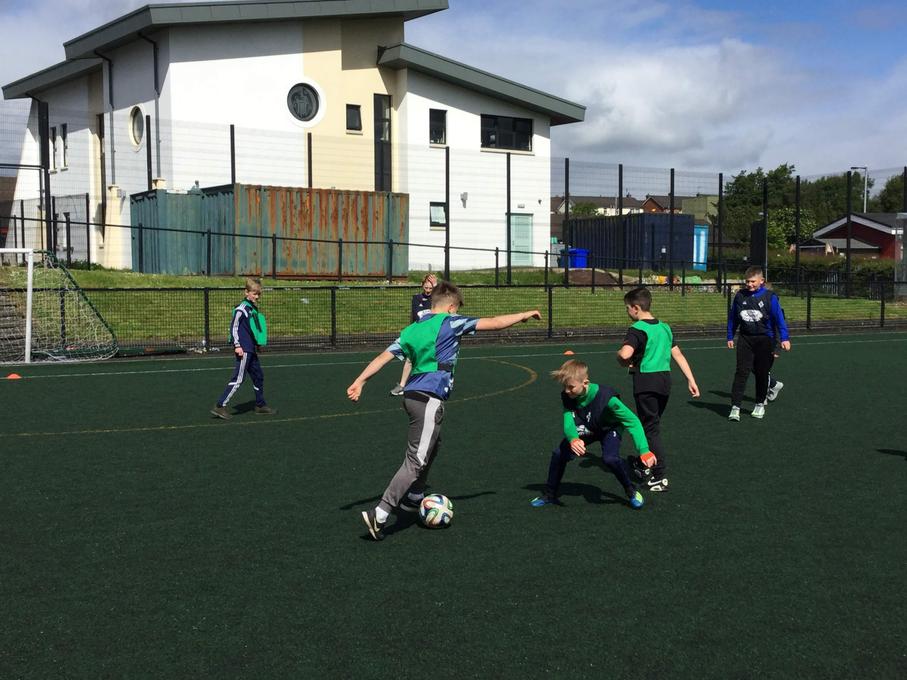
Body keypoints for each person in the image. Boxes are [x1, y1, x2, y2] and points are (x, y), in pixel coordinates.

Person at [348, 280, 541, 541]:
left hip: (412, 396)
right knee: (416, 459)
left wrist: (360, 381)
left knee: (434, 444)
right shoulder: (451, 322)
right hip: (428, 398)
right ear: (451, 307)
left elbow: (383, 357)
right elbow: (494, 322)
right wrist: (523, 315)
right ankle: (380, 513)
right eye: (457, 308)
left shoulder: (412, 329)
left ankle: (415, 495)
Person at [529, 359, 654, 510]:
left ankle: (631, 491)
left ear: (585, 383)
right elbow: (568, 420)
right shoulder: (568, 396)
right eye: (564, 386)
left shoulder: (607, 397)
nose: (567, 391)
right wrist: (574, 439)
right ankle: (550, 495)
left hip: (609, 428)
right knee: (558, 454)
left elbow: (632, 421)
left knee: (610, 458)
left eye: (571, 387)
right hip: (589, 427)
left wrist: (644, 450)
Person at [617, 287, 699, 492]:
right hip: (664, 381)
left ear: (636, 308)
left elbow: (626, 354)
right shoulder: (665, 327)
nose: (628, 312)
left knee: (651, 429)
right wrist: (691, 379)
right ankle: (642, 462)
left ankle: (659, 475)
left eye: (628, 309)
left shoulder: (637, 328)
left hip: (646, 382)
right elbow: (678, 355)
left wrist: (619, 357)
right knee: (651, 424)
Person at [726, 266, 791, 420]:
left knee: (762, 373)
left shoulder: (770, 297)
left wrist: (785, 338)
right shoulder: (740, 296)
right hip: (745, 339)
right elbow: (733, 318)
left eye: (753, 281)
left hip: (765, 340)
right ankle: (735, 407)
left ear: (761, 281)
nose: (750, 284)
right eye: (747, 281)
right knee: (741, 372)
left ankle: (760, 404)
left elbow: (779, 319)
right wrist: (730, 336)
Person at [210, 277, 276, 419]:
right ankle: (220, 406)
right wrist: (237, 345)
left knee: (258, 376)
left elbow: (252, 329)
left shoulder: (252, 309)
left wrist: (257, 344)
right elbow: (233, 328)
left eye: (258, 294)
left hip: (251, 348)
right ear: (246, 292)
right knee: (238, 378)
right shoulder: (241, 309)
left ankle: (260, 405)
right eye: (254, 293)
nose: (257, 296)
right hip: (244, 349)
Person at [390, 273, 437, 396]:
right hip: (419, 334)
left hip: (433, 335)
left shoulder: (437, 299)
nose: (428, 291)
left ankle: (431, 386)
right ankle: (402, 386)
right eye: (426, 288)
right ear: (422, 286)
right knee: (410, 359)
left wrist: (436, 287)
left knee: (431, 360)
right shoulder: (416, 298)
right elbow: (418, 316)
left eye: (431, 288)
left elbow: (440, 305)